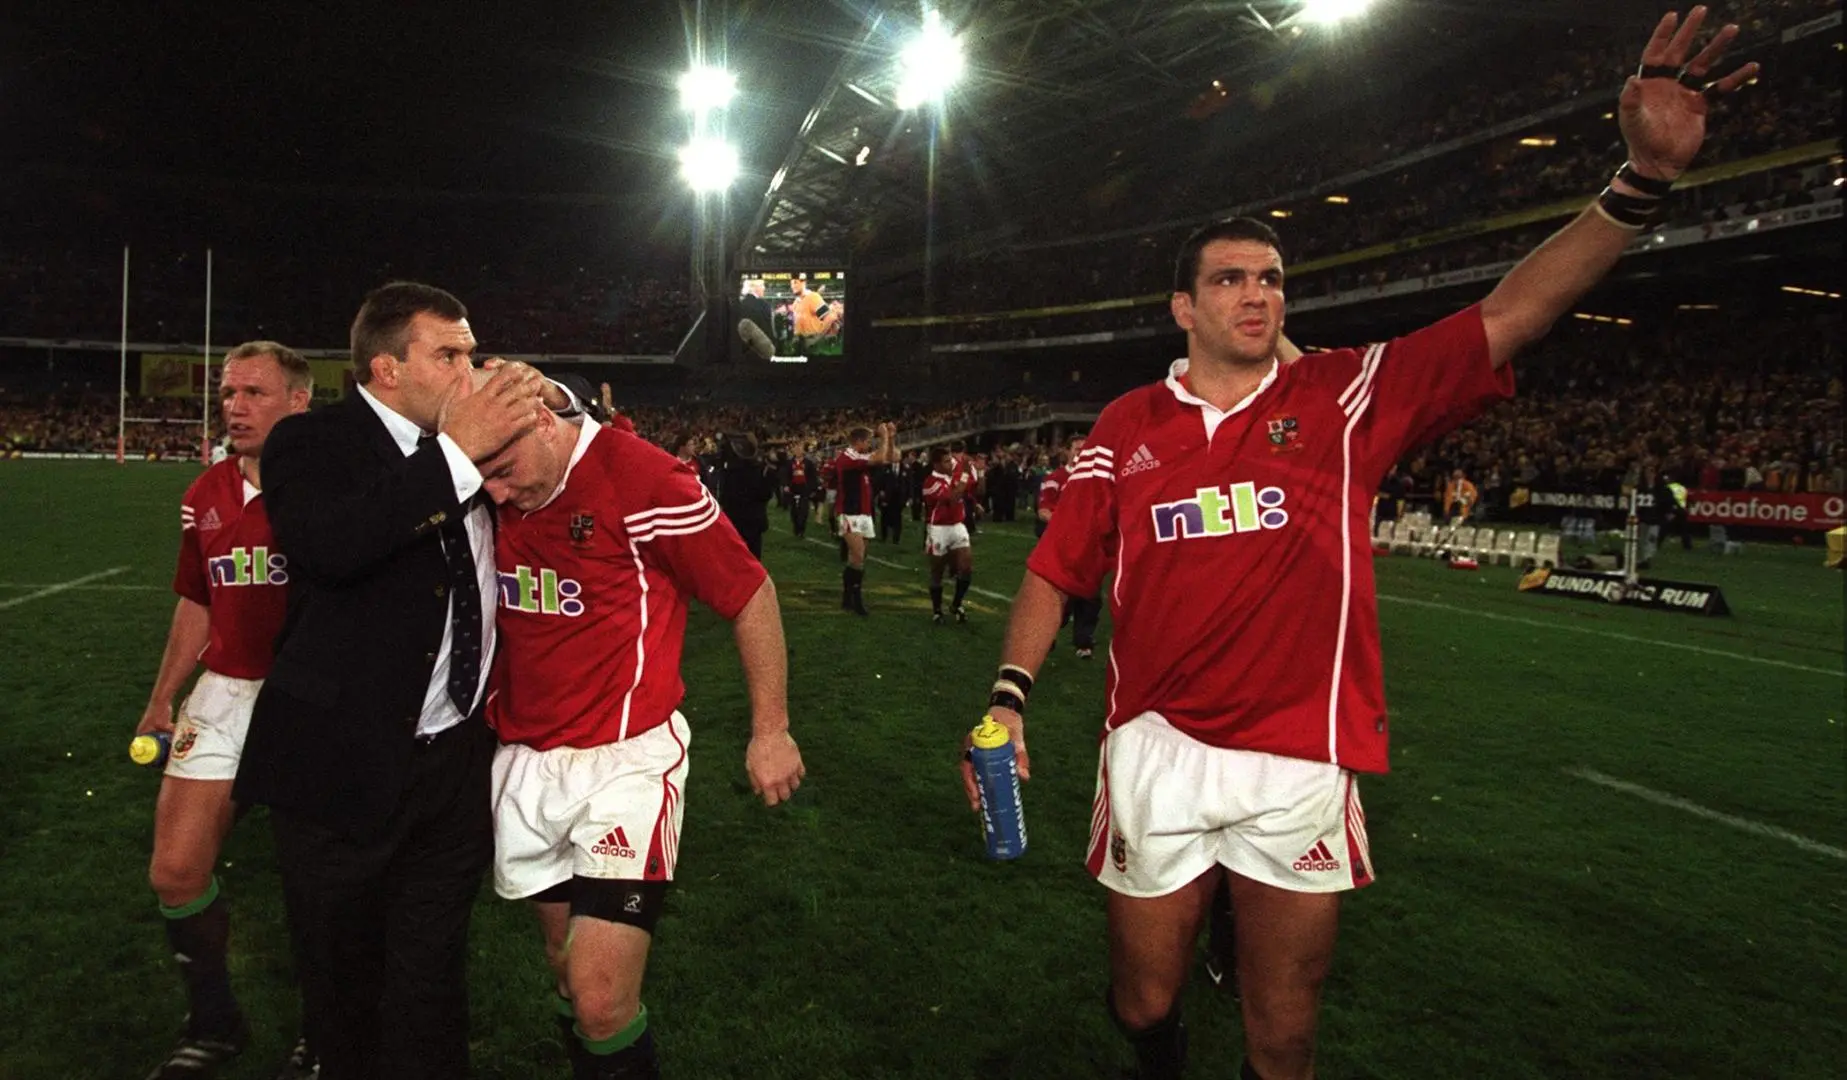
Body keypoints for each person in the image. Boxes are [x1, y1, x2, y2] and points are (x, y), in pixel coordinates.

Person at [962, 15, 1755, 1077]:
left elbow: (1510, 315)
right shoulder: (1124, 427)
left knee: (1284, 1036)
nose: (1257, 293)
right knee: (1142, 1002)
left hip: (1299, 755)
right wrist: (1008, 699)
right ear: (1182, 306)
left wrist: (1640, 181)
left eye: (1271, 277)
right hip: (1154, 748)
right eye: (1231, 278)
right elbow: (1055, 570)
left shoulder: (1344, 398)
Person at [235, 281, 557, 1080]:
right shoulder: (310, 442)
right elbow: (333, 545)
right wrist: (456, 455)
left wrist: (552, 402)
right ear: (386, 368)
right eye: (448, 355)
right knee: (343, 986)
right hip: (339, 765)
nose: (467, 371)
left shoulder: (474, 446)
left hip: (451, 762)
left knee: (431, 979)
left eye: (471, 354)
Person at [475, 388, 805, 1080]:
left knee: (600, 998)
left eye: (501, 470)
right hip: (524, 762)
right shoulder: (494, 478)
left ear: (544, 424)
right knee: (567, 972)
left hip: (626, 764)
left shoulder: (646, 480)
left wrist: (770, 730)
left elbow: (748, 593)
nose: (492, 492)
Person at [138, 341, 315, 1080]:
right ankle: (214, 1024)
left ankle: (325, 1033)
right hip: (226, 691)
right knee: (175, 871)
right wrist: (161, 696)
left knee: (320, 884)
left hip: (312, 697)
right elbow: (197, 600)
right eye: (227, 393)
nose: (234, 408)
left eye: (254, 393)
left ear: (299, 401)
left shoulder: (333, 487)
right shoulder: (204, 493)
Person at [1036, 436, 1103, 660]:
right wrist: (1067, 525)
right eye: (1077, 448)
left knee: (1090, 595)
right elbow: (1043, 511)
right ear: (1068, 451)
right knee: (1062, 595)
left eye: (1085, 449)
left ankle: (1084, 642)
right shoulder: (1056, 478)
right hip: (1063, 544)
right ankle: (1048, 635)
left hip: (1089, 545)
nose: (1081, 452)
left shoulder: (1096, 479)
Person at [827, 422, 899, 615]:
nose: (869, 445)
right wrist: (884, 437)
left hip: (864, 512)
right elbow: (879, 458)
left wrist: (891, 438)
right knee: (858, 556)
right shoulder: (848, 457)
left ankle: (847, 597)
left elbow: (891, 457)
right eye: (868, 441)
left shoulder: (859, 456)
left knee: (856, 559)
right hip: (849, 512)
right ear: (858, 441)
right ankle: (857, 600)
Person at [922, 445, 975, 624]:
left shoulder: (953, 476)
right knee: (937, 571)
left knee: (966, 568)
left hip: (957, 526)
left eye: (950, 460)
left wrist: (976, 472)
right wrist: (965, 474)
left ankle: (956, 604)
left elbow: (974, 489)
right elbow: (953, 498)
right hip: (938, 529)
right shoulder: (931, 482)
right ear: (936, 464)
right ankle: (937, 610)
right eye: (946, 461)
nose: (950, 464)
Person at [715, 433, 775, 559]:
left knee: (736, 558)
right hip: (753, 520)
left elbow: (724, 498)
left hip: (735, 521)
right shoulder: (758, 469)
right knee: (753, 557)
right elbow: (765, 495)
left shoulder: (729, 472)